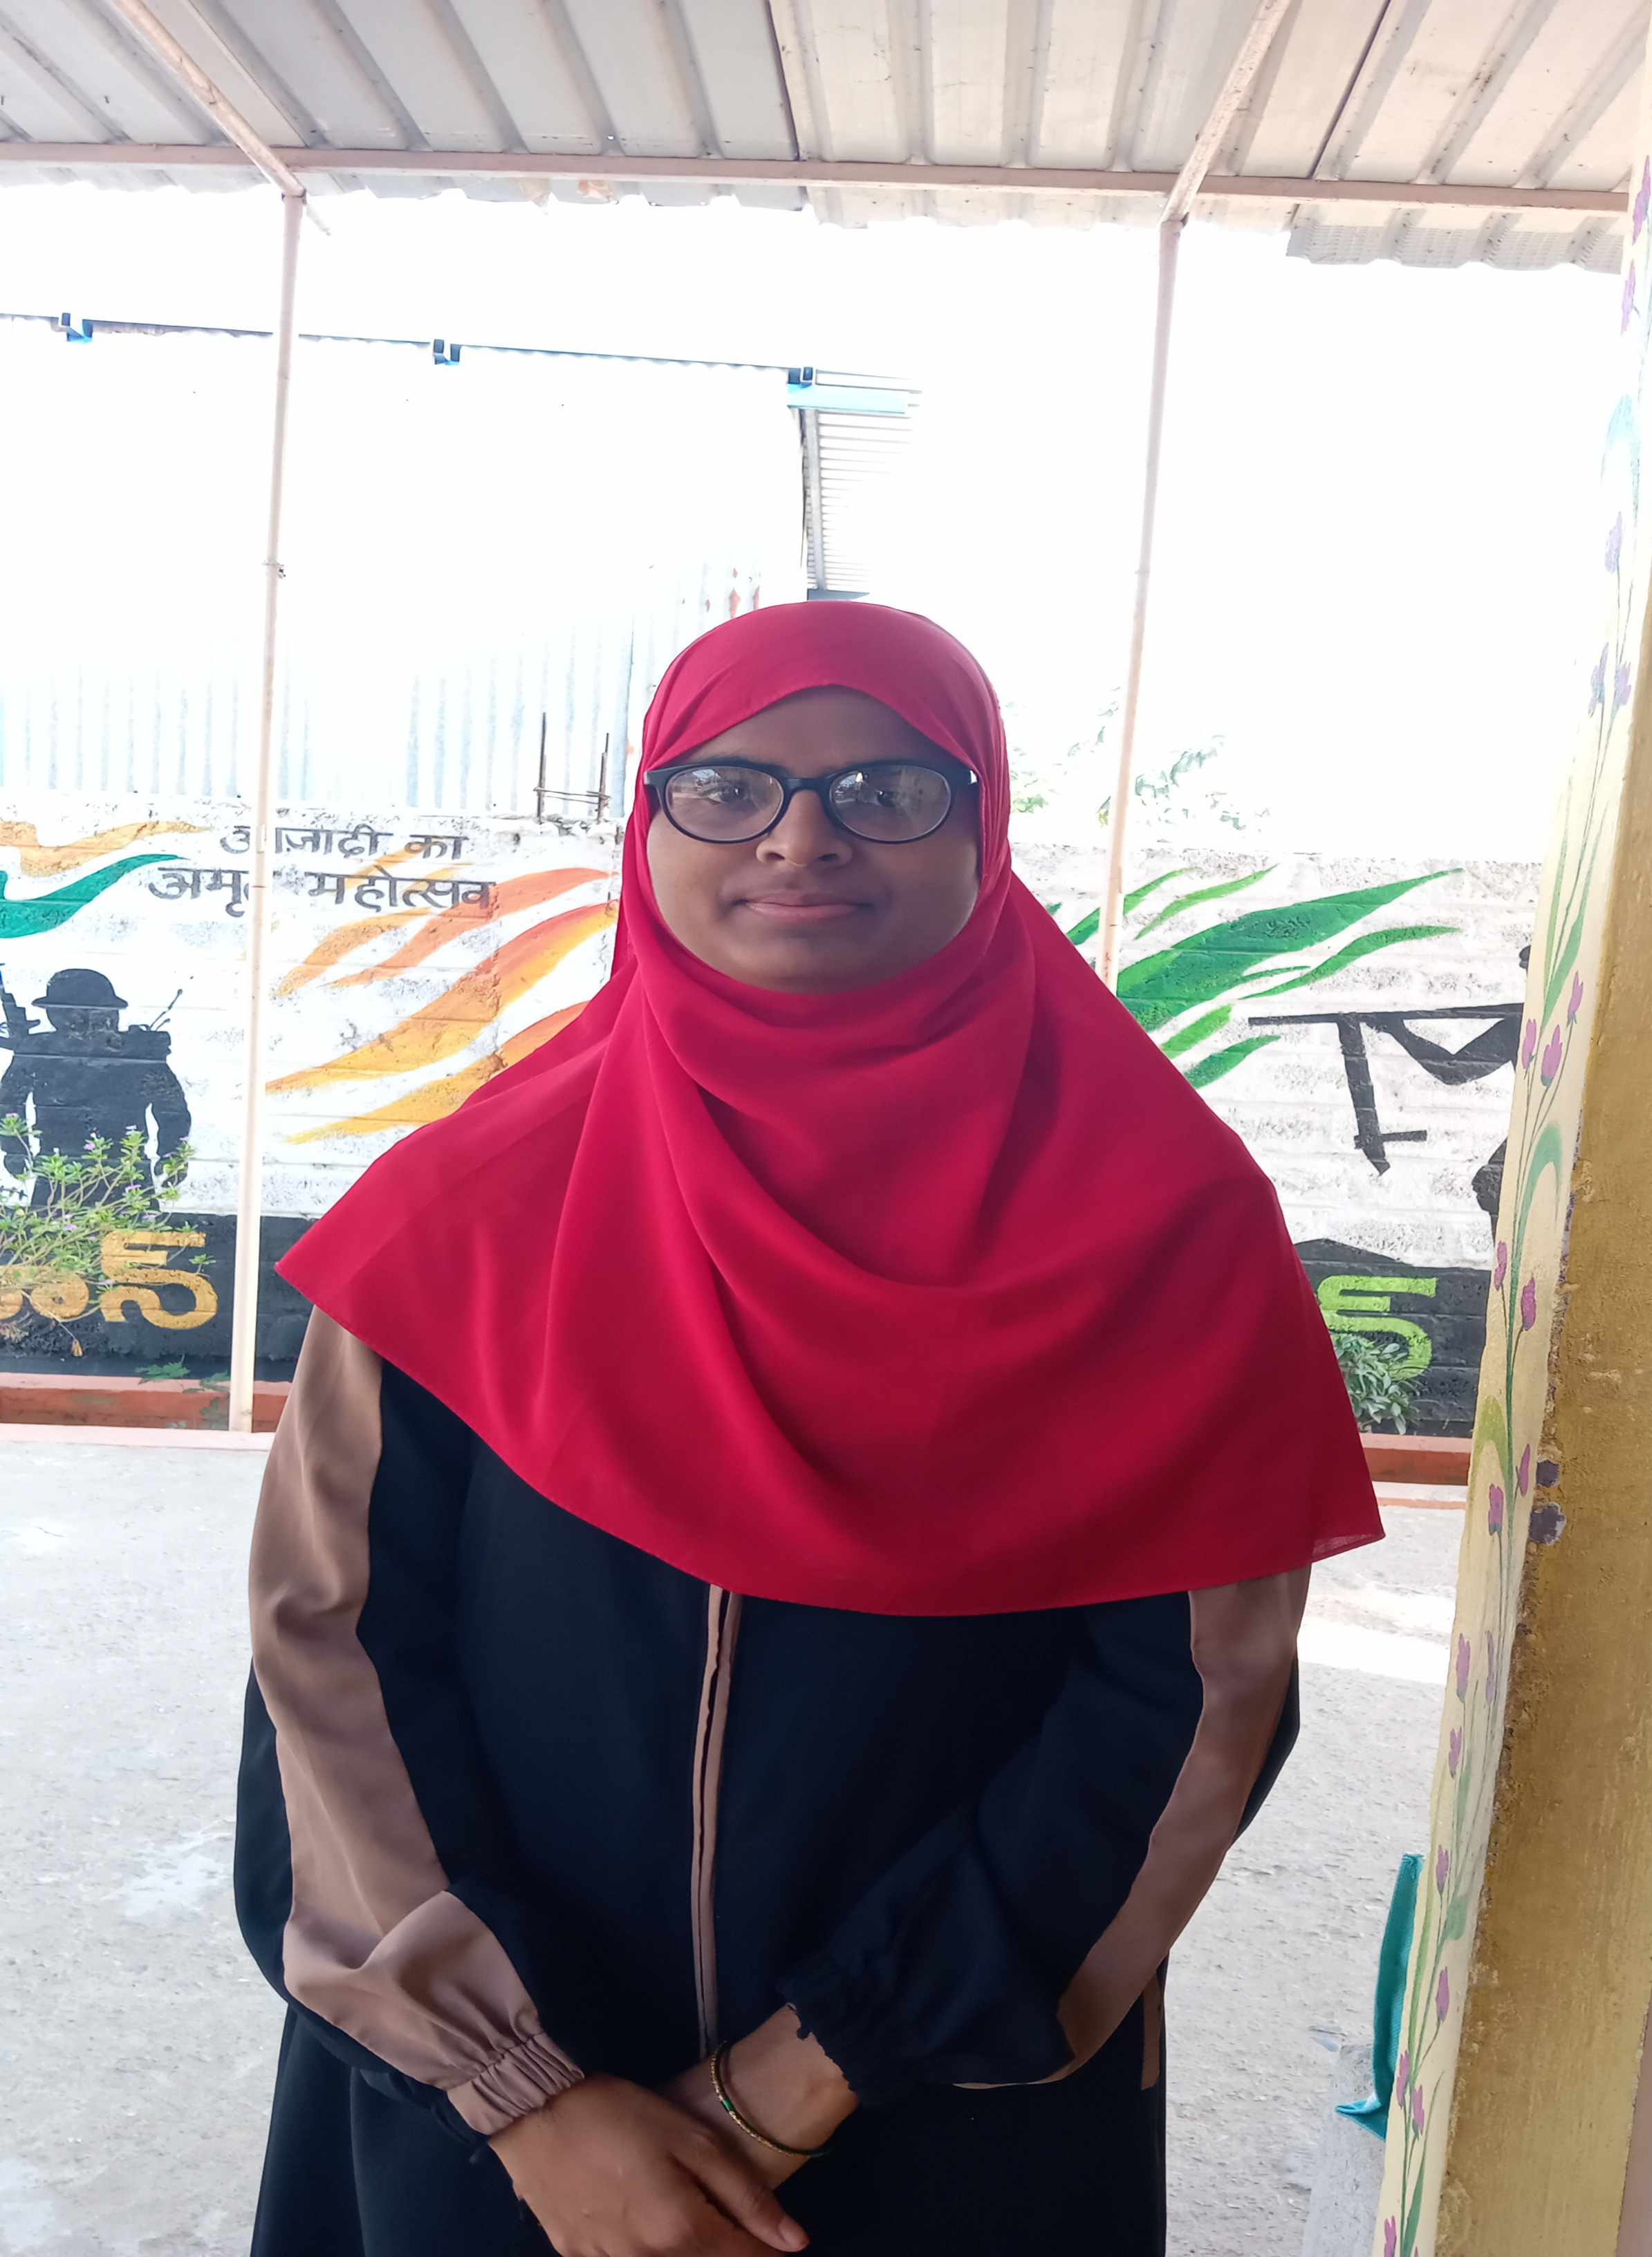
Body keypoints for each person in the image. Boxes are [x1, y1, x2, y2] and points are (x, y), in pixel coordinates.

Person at [234, 602, 1380, 2257]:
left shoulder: (1165, 1226)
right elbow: (328, 1648)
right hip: (503, 2124)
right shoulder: (467, 1208)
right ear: (648, 824)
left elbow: (1188, 1703)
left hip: (941, 2101)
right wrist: (524, 2088)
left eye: (885, 790)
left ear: (982, 824)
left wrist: (806, 2073)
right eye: (727, 787)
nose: (799, 838)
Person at [0, 967, 190, 1207]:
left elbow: (172, 1108)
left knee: (132, 1228)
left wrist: (173, 1154)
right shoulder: (38, 1051)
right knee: (55, 1226)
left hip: (126, 1170)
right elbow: (8, 1104)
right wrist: (15, 1148)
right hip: (59, 1168)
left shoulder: (138, 1053)